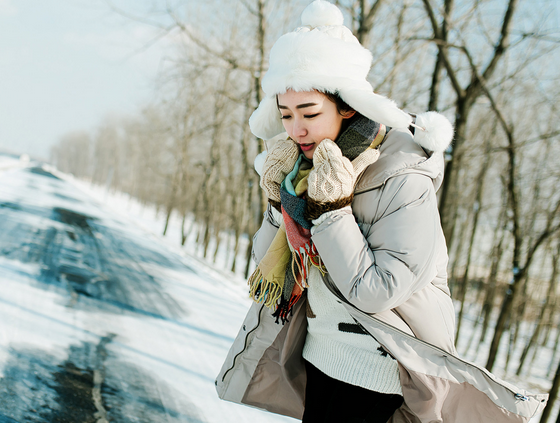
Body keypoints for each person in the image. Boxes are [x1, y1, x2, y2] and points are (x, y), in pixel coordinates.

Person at [216, 1, 547, 422]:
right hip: (320, 358)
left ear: (348, 107)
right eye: (286, 114)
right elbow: (269, 267)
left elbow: (377, 291)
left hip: (379, 371)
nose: (296, 128)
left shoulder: (402, 176)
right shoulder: (303, 175)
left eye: (310, 113)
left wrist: (334, 210)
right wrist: (277, 202)